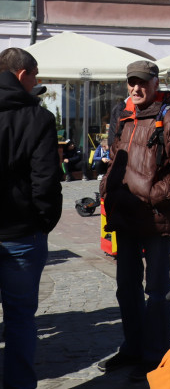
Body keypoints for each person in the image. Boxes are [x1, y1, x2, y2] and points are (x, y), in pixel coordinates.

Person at [99, 60, 170, 380]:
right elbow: (117, 159)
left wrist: (152, 194)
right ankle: (132, 347)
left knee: (156, 290)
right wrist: (107, 189)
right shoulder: (126, 117)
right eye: (132, 82)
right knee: (125, 288)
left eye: (143, 82)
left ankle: (155, 355)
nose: (136, 87)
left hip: (154, 219)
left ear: (155, 84)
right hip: (125, 218)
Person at [0, 48, 62, 389]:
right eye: (36, 76)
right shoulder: (38, 118)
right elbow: (46, 179)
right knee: (20, 319)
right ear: (23, 74)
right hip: (22, 232)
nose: (36, 83)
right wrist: (44, 221)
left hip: (22, 230)